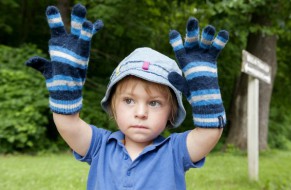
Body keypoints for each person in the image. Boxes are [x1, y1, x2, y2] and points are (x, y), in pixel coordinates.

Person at [25, 3, 229, 190]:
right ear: (113, 105)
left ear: (171, 112)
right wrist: (65, 92)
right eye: (129, 100)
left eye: (155, 103)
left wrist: (205, 91)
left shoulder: (175, 151)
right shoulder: (99, 145)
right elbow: (68, 125)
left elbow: (209, 133)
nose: (141, 113)